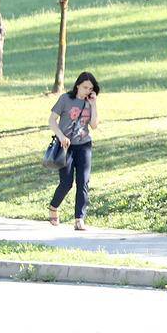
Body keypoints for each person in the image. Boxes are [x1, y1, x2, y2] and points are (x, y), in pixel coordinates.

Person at [48, 71, 100, 231]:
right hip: (66, 146)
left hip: (84, 145)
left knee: (83, 182)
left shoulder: (89, 102)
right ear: (78, 85)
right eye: (85, 87)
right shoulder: (65, 99)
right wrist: (61, 136)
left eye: (90, 88)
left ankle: (79, 219)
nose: (87, 91)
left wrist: (93, 104)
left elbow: (94, 125)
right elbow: (52, 120)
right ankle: (53, 206)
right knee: (66, 183)